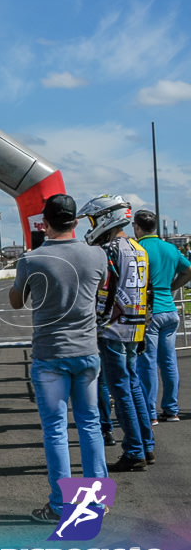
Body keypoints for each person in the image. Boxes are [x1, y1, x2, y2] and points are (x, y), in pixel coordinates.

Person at [9, 193, 108, 524]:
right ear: (76, 222)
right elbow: (100, 288)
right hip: (87, 351)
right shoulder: (96, 255)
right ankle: (97, 501)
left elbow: (16, 302)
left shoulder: (32, 260)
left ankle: (60, 506)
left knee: (55, 430)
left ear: (44, 224)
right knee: (90, 424)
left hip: (51, 355)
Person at [77, 194, 155, 472]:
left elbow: (103, 292)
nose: (91, 225)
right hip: (135, 326)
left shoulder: (108, 250)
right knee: (133, 385)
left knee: (120, 389)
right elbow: (147, 292)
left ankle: (134, 451)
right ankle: (147, 445)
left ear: (106, 217)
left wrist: (94, 323)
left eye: (94, 219)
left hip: (112, 328)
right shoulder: (138, 248)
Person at [134, 209, 191, 423]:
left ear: (137, 227)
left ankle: (149, 413)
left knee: (147, 362)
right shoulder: (170, 248)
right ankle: (171, 408)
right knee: (169, 361)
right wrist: (171, 287)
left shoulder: (138, 248)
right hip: (169, 309)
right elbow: (188, 270)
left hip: (149, 312)